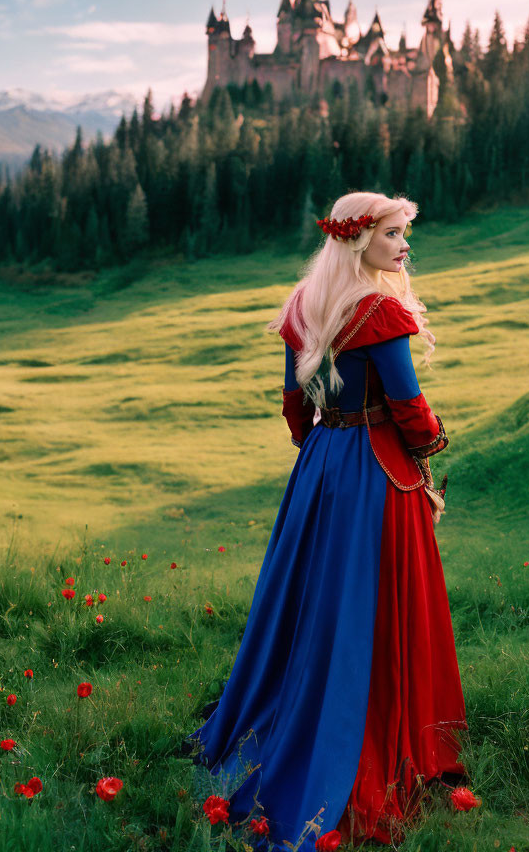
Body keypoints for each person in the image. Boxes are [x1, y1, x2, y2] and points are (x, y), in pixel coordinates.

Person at [186, 191, 469, 852]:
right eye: (393, 235)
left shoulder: (306, 303)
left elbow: (294, 408)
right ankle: (371, 735)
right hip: (377, 471)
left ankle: (284, 714)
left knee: (311, 601)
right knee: (374, 603)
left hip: (321, 467)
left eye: (405, 235)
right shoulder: (379, 310)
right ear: (359, 239)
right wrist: (429, 455)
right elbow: (408, 404)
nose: (404, 248)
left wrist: (323, 449)